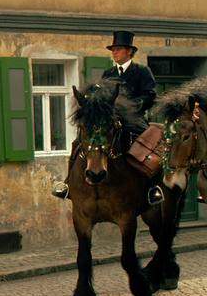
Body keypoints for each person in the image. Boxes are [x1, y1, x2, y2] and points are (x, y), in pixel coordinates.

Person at [52, 30, 162, 204]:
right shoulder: (108, 73)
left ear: (129, 52)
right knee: (78, 142)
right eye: (113, 49)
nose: (114, 53)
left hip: (134, 119)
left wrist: (134, 106)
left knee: (150, 148)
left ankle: (153, 189)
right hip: (110, 119)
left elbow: (151, 95)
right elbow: (101, 96)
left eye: (118, 49)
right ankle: (67, 184)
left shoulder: (142, 71)